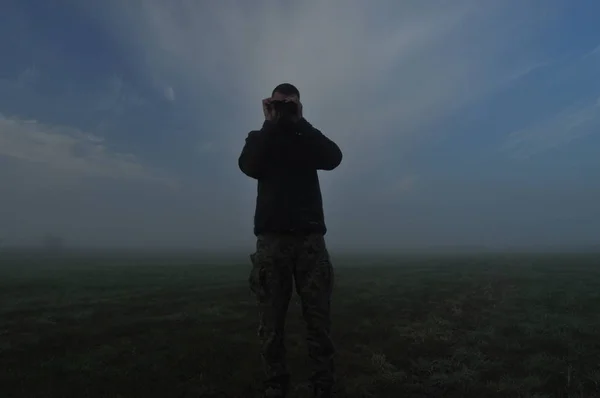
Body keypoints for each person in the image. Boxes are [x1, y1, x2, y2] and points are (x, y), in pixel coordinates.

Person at [238, 83, 343, 398]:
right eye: (279, 103)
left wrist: (301, 123)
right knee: (271, 322)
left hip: (310, 240)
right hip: (272, 241)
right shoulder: (260, 139)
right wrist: (269, 124)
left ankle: (322, 386)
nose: (284, 109)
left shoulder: (306, 138)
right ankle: (275, 384)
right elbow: (249, 165)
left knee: (318, 320)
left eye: (289, 103)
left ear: (299, 105)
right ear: (269, 104)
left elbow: (334, 158)